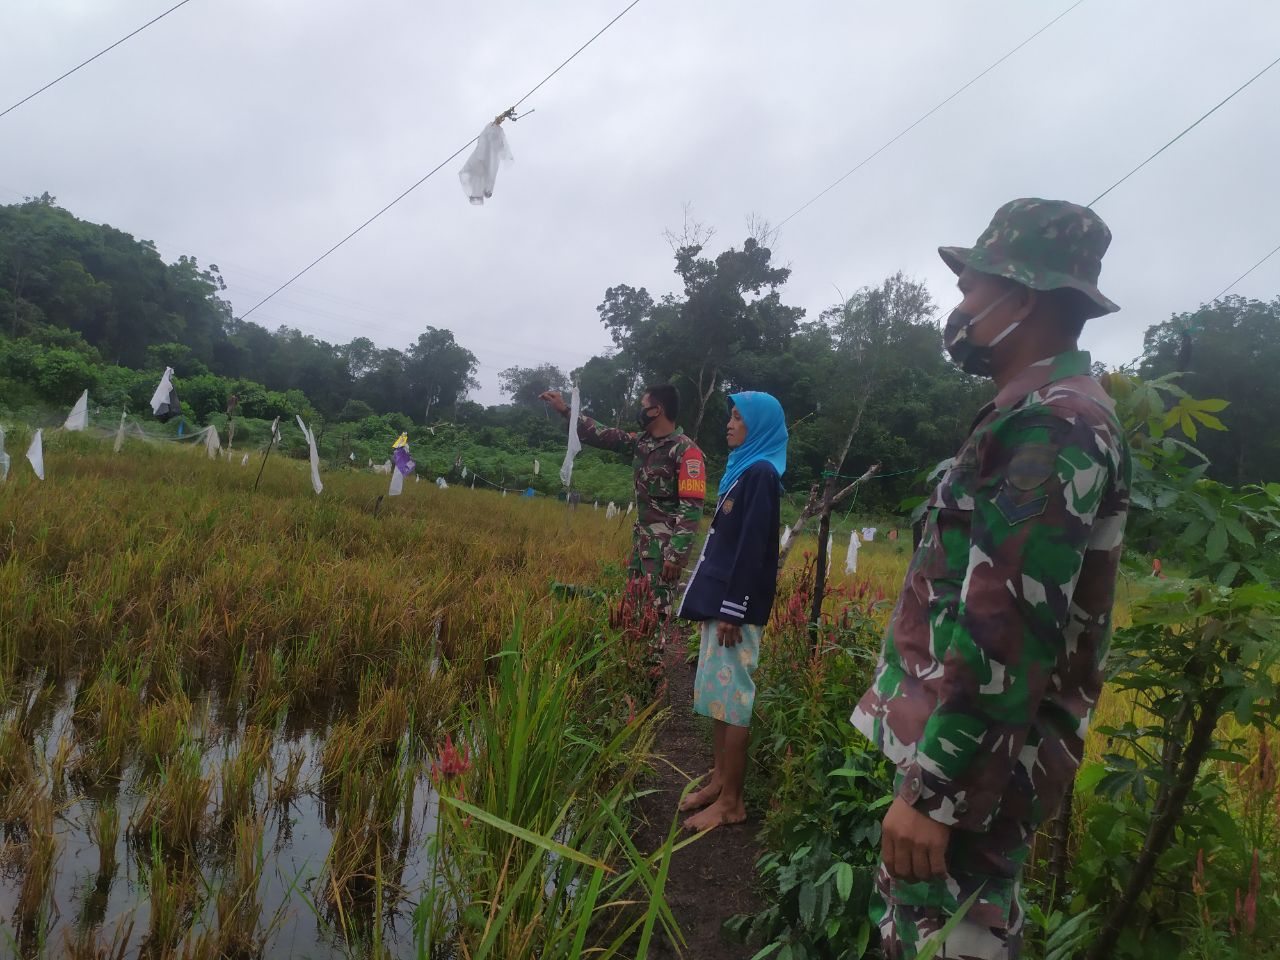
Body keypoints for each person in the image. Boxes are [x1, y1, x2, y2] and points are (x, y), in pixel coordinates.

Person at [850, 199, 1132, 960]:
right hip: (971, 762)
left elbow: (1007, 627)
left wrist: (937, 795)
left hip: (975, 777)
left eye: (971, 288)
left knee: (947, 942)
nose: (960, 306)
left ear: (1024, 298)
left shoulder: (1055, 424)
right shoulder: (1033, 412)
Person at [676, 392, 787, 831]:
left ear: (758, 426)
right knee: (718, 698)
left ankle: (733, 803)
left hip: (735, 609)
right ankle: (720, 781)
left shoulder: (761, 474)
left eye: (739, 418)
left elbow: (753, 547)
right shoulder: (743, 472)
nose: (730, 423)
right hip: (723, 603)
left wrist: (734, 608)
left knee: (734, 701)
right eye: (731, 417)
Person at [540, 384, 706, 652]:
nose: (640, 411)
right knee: (633, 607)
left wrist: (676, 556)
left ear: (657, 410)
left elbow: (692, 508)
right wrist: (565, 410)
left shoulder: (686, 452)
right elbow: (605, 435)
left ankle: (650, 667)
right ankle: (631, 661)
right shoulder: (642, 443)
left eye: (643, 406)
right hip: (642, 545)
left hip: (664, 552)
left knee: (655, 613)